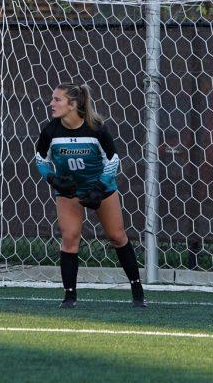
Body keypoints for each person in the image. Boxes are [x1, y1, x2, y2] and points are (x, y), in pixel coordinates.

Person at [35, 82, 145, 308]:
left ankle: (137, 290)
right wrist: (53, 178)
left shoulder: (96, 128)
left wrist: (100, 188)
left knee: (117, 237)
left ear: (73, 104)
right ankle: (69, 296)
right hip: (69, 191)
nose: (51, 103)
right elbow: (40, 160)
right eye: (52, 99)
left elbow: (113, 161)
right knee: (70, 238)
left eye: (57, 99)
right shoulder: (50, 131)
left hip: (100, 189)